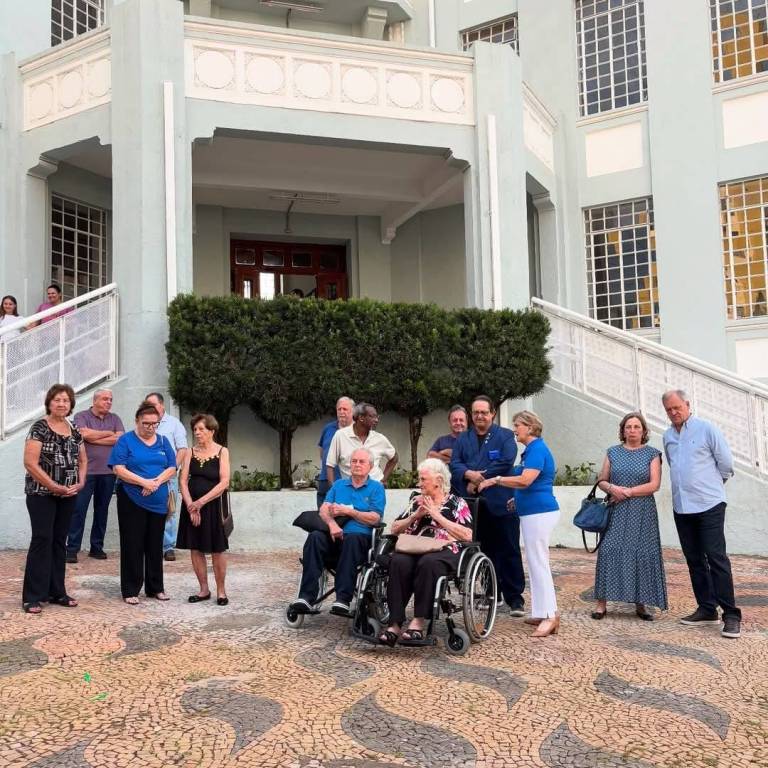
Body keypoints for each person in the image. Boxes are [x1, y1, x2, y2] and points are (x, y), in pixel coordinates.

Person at [662, 389, 741, 639]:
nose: (674, 412)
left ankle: (731, 615)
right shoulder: (667, 436)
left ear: (687, 404)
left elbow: (726, 464)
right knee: (694, 560)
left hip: (709, 505)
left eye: (677, 407)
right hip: (682, 507)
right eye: (669, 409)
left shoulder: (707, 429)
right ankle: (707, 609)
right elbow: (674, 465)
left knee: (716, 558)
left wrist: (713, 486)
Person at [478, 410, 560, 637]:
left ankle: (551, 616)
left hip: (540, 512)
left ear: (530, 427)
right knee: (534, 563)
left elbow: (526, 480)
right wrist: (517, 498)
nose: (514, 429)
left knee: (539, 563)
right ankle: (542, 612)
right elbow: (529, 483)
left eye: (518, 425)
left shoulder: (537, 449)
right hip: (531, 511)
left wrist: (496, 479)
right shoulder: (531, 451)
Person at [379, 458, 473, 646]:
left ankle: (418, 621)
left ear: (438, 481)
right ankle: (394, 624)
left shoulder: (457, 503)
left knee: (428, 563)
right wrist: (416, 515)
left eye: (423, 479)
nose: (419, 483)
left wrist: (437, 516)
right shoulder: (416, 502)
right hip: (414, 547)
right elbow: (395, 528)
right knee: (398, 561)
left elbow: (467, 535)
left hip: (444, 549)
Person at [450, 395, 525, 616]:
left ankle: (515, 599)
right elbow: (455, 464)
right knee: (484, 550)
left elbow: (505, 461)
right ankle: (492, 594)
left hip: (502, 503)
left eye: (484, 412)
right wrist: (468, 474)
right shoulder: (463, 438)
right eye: (476, 412)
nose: (480, 416)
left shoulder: (505, 436)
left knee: (509, 550)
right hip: (475, 506)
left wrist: (478, 480)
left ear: (493, 413)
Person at [289, 448, 385, 617]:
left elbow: (375, 518)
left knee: (352, 539)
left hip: (359, 541)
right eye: (354, 461)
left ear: (370, 466)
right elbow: (324, 509)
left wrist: (349, 512)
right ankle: (306, 597)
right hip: (334, 537)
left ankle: (343, 599)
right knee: (315, 537)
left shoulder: (376, 488)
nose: (357, 464)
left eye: (361, 462)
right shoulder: (339, 485)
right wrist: (332, 524)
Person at [591, 411, 666, 622]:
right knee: (608, 550)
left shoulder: (652, 454)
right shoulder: (612, 452)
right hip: (615, 508)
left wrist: (628, 492)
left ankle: (641, 603)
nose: (632, 430)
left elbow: (655, 484)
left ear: (644, 431)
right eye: (628, 427)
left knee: (640, 552)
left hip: (642, 510)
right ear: (623, 431)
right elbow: (602, 480)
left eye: (636, 427)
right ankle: (601, 603)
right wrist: (612, 489)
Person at [22, 384, 86, 614]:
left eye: (66, 400)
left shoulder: (73, 428)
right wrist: (53, 486)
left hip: (68, 494)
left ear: (71, 404)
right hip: (41, 494)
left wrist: (81, 482)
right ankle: (32, 596)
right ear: (49, 402)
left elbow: (83, 459)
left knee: (60, 541)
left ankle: (57, 591)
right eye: (57, 399)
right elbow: (30, 463)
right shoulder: (39, 427)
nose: (61, 404)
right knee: (42, 539)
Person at [109, 401, 178, 605]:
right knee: (132, 544)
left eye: (154, 423)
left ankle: (156, 587)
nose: (150, 427)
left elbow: (172, 467)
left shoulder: (163, 441)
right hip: (132, 499)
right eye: (146, 423)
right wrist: (143, 482)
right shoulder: (126, 440)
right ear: (137, 421)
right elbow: (118, 468)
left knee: (155, 544)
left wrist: (155, 482)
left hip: (158, 500)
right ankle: (131, 589)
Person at [177, 413, 231, 606]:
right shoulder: (189, 452)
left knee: (218, 549)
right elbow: (183, 481)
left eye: (201, 429)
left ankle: (221, 591)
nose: (197, 433)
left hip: (213, 507)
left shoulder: (222, 451)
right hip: (192, 507)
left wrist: (200, 503)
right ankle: (203, 589)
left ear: (212, 431)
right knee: (195, 547)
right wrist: (190, 505)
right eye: (195, 429)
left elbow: (224, 482)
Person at [66, 389, 125, 563]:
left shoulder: (115, 418)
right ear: (95, 400)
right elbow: (82, 434)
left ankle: (96, 547)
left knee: (102, 511)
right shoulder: (81, 416)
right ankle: (72, 549)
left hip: (108, 473)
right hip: (85, 473)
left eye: (111, 399)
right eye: (105, 399)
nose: (109, 402)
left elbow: (120, 439)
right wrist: (109, 433)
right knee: (78, 510)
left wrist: (93, 437)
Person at [144, 392, 189, 562]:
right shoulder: (144, 422)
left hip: (168, 476)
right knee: (147, 508)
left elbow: (182, 449)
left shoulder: (174, 424)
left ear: (162, 405)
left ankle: (168, 547)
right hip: (147, 476)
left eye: (153, 404)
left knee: (169, 510)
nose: (150, 408)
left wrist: (172, 469)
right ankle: (151, 544)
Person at [326, 402, 398, 484]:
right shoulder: (341, 436)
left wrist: (383, 480)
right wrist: (333, 488)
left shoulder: (379, 438)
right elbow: (330, 465)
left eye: (377, 417)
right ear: (361, 418)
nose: (376, 420)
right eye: (372, 416)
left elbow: (394, 458)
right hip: (350, 488)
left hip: (374, 488)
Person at [316, 396, 354, 508]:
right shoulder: (328, 428)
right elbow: (322, 451)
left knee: (344, 516)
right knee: (322, 515)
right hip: (325, 481)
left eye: (345, 409)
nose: (341, 412)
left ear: (353, 411)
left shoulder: (357, 431)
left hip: (346, 482)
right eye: (339, 409)